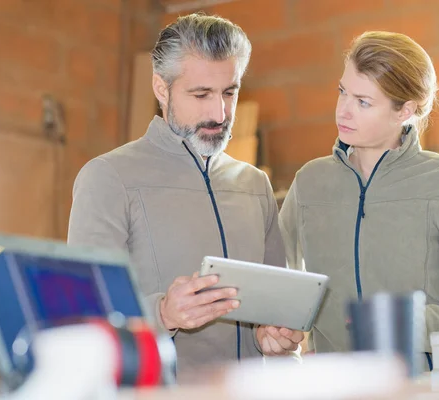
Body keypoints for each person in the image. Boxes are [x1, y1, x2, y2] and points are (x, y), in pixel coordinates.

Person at [67, 13, 303, 379]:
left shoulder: (255, 185)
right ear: (161, 89)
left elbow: (276, 315)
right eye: (201, 94)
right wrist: (163, 314)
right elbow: (82, 314)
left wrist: (279, 340)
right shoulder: (108, 178)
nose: (219, 112)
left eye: (230, 92)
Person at [279, 31, 439, 369]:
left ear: (405, 110)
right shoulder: (310, 183)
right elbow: (275, 285)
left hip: (429, 391)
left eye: (363, 102)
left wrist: (403, 323)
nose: (343, 110)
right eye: (342, 92)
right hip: (338, 388)